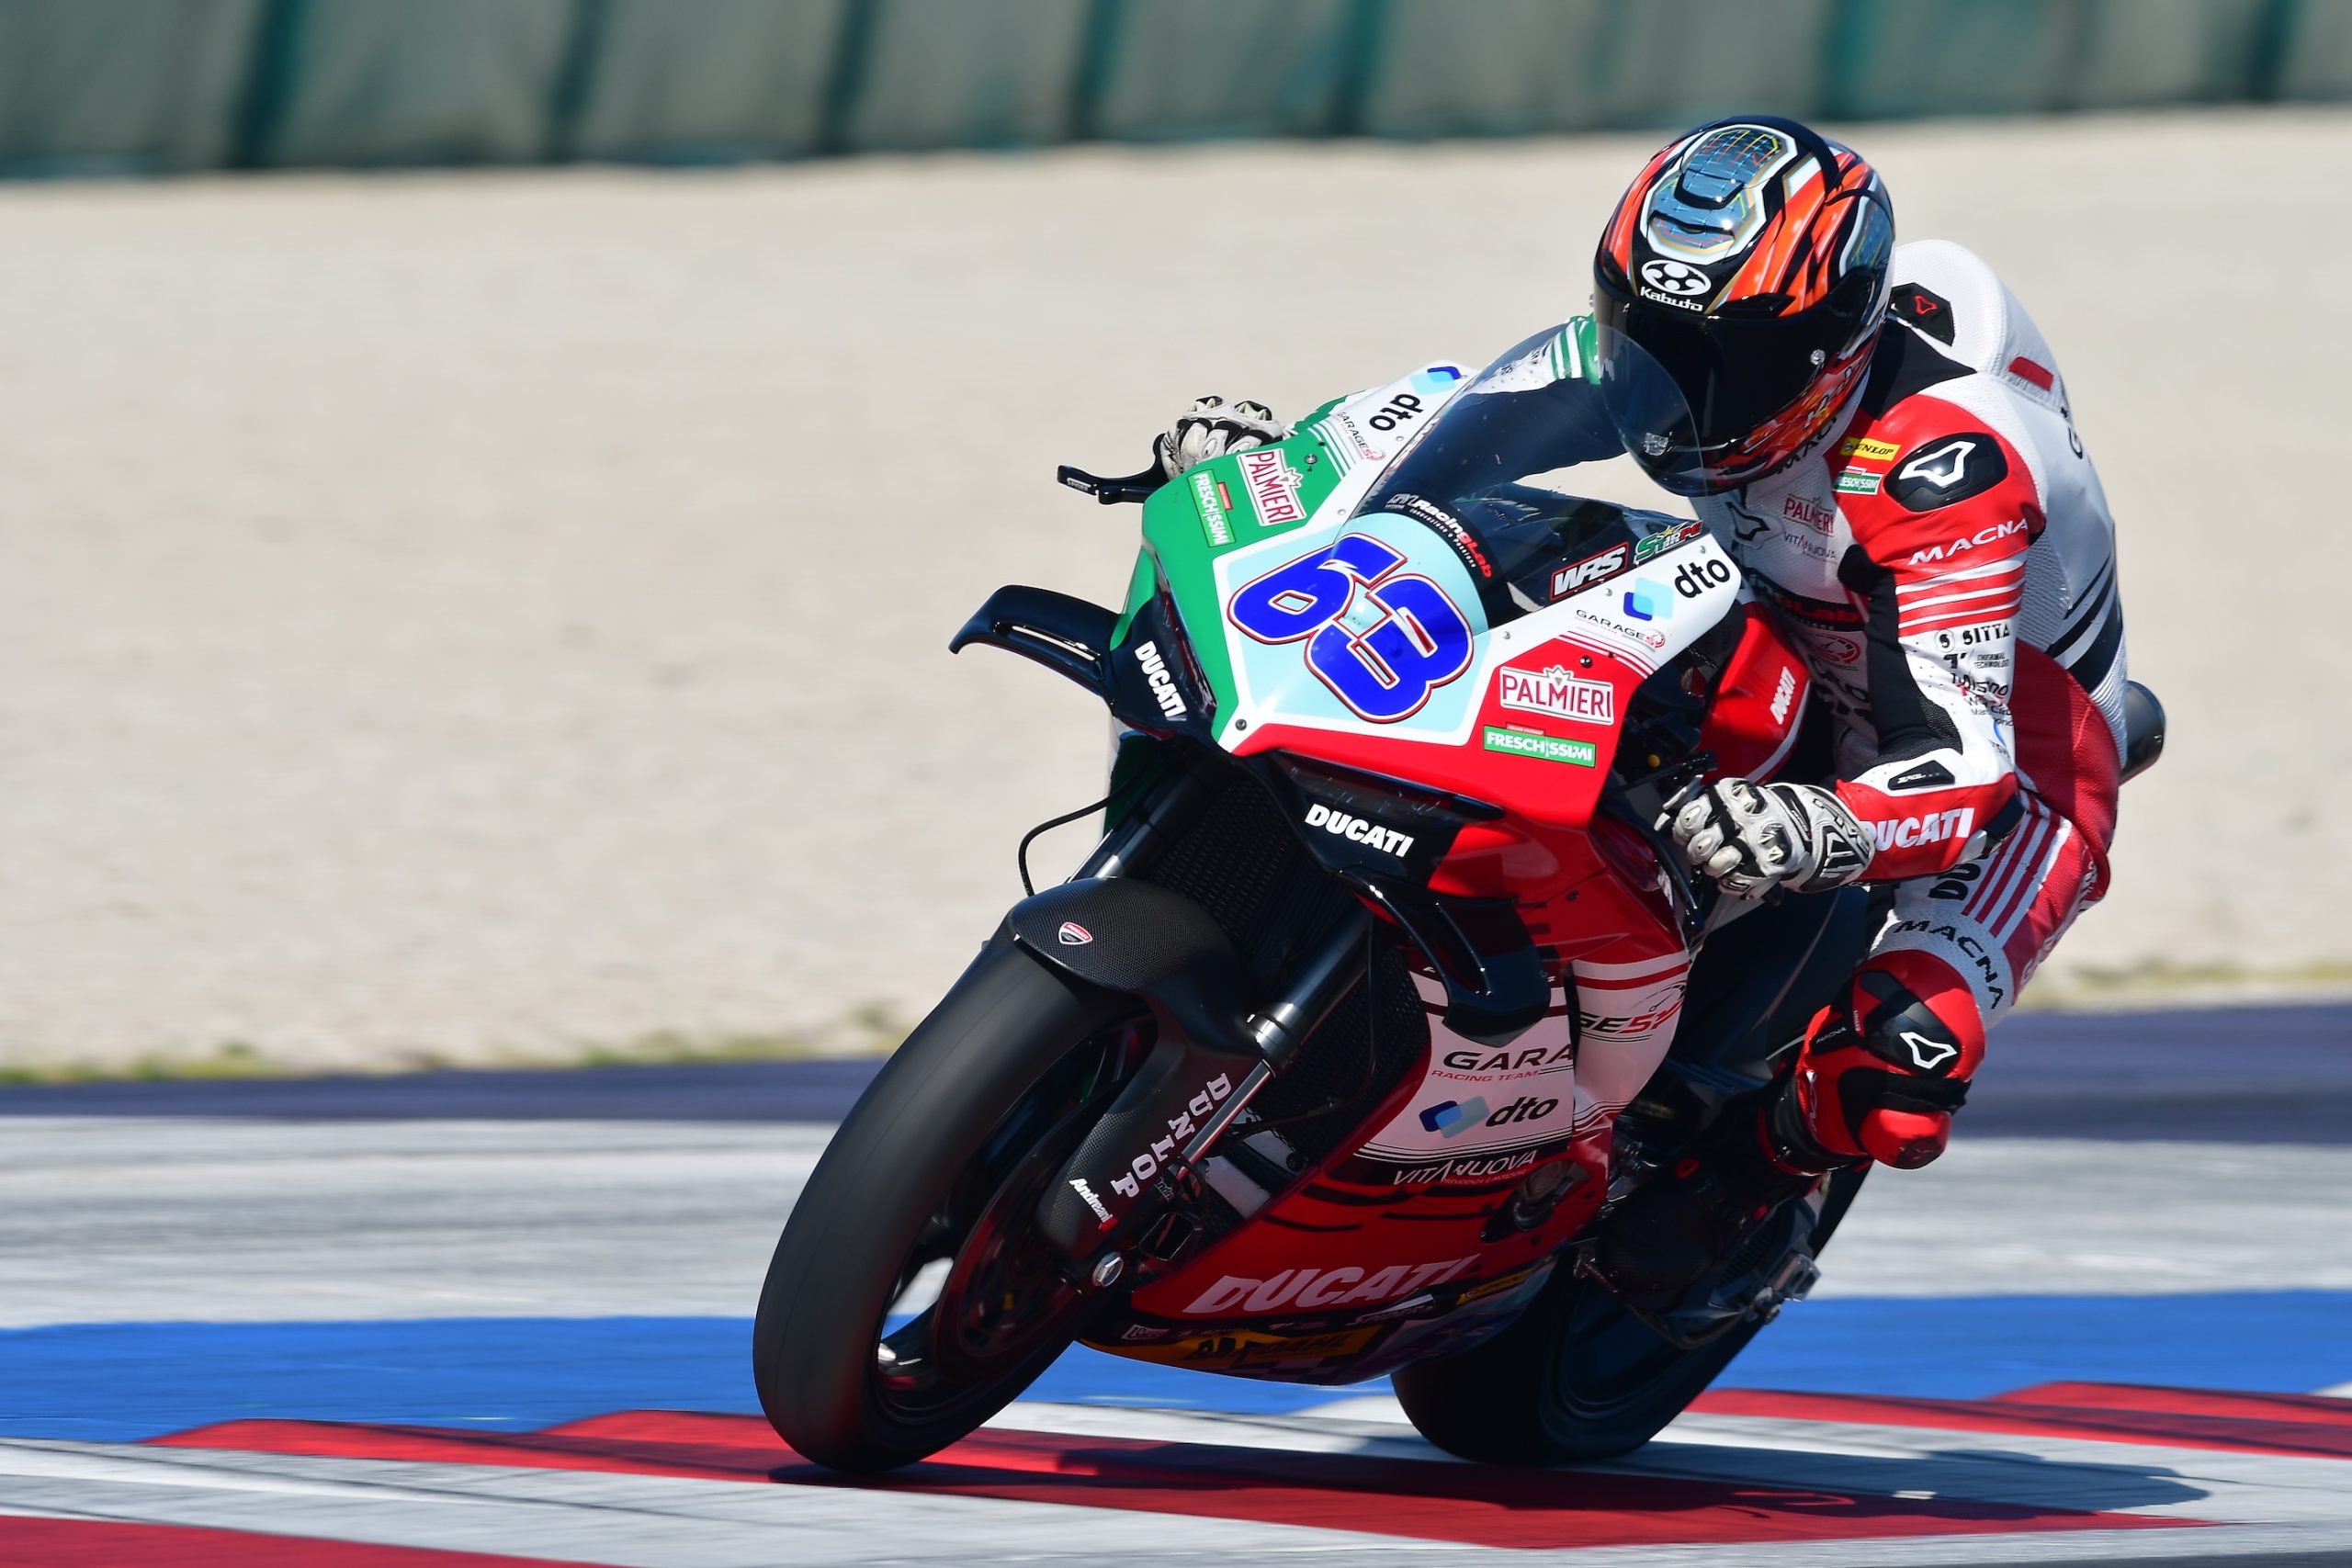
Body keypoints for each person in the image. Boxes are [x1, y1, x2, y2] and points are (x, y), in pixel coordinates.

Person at [1149, 116, 2128, 1299]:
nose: (1678, 395)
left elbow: (1966, 768)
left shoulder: (1940, 475)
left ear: (1834, 351)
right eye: (1648, 338)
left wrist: (1828, 825)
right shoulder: (1652, 355)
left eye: (1731, 366)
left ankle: (1758, 1183)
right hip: (1786, 647)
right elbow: (1440, 436)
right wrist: (1285, 473)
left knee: (1895, 1066)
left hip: (2004, 769)